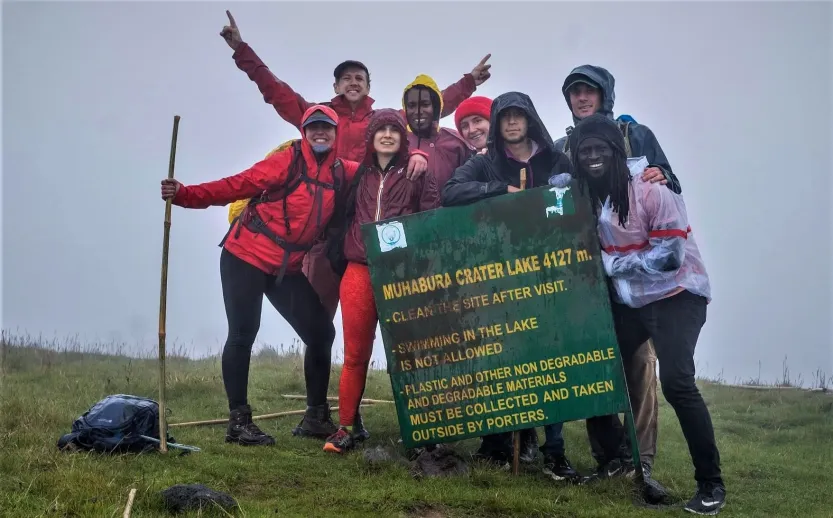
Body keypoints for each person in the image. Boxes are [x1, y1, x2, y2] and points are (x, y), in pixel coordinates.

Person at [160, 105, 427, 446]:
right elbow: (236, 185)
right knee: (243, 334)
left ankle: (316, 416)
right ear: (304, 131)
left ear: (335, 134)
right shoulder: (287, 160)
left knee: (320, 332)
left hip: (285, 267)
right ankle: (238, 422)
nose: (320, 133)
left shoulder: (342, 171)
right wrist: (185, 195)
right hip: (246, 255)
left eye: (326, 128)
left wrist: (417, 153)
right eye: (313, 127)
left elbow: (382, 165)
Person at [221, 11, 489, 319]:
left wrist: (468, 83)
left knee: (386, 307)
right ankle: (318, 363)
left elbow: (427, 108)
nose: (353, 82)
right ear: (335, 86)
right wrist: (242, 51)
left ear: (368, 86)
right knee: (318, 316)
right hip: (325, 227)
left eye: (359, 78)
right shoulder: (317, 119)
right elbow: (276, 91)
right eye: (346, 78)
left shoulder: (383, 122)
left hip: (369, 220)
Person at [567, 114, 725, 515]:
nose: (592, 157)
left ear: (618, 152)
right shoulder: (586, 195)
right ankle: (617, 459)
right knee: (595, 367)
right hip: (633, 302)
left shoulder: (653, 190)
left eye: (601, 149)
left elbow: (669, 257)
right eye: (585, 151)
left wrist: (608, 265)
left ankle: (711, 484)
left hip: (678, 295)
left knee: (677, 383)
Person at [549, 64, 678, 483]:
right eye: (575, 93)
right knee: (592, 362)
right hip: (586, 275)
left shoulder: (635, 134)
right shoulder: (561, 145)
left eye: (590, 91)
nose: (582, 99)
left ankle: (643, 461)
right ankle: (611, 457)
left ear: (605, 95)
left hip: (636, 276)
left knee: (640, 363)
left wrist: (665, 175)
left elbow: (669, 185)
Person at [441, 92, 578, 481]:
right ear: (498, 124)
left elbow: (578, 202)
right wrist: (500, 190)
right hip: (499, 278)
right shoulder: (486, 164)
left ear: (530, 119)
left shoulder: (556, 160)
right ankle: (501, 446)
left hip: (549, 272)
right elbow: (452, 193)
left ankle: (556, 453)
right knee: (501, 358)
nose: (513, 123)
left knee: (549, 360)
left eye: (519, 116)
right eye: (506, 118)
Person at [321, 109, 440, 453]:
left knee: (410, 355)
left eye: (394, 129)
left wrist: (420, 156)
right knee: (356, 355)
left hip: (402, 274)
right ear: (370, 137)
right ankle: (346, 428)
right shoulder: (357, 174)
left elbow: (432, 220)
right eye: (380, 130)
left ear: (403, 137)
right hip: (358, 269)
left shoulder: (419, 172)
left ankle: (422, 432)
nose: (387, 134)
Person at [402, 75, 478, 189]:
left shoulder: (456, 141)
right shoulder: (400, 143)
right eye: (411, 106)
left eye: (425, 104)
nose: (418, 111)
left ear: (436, 107)